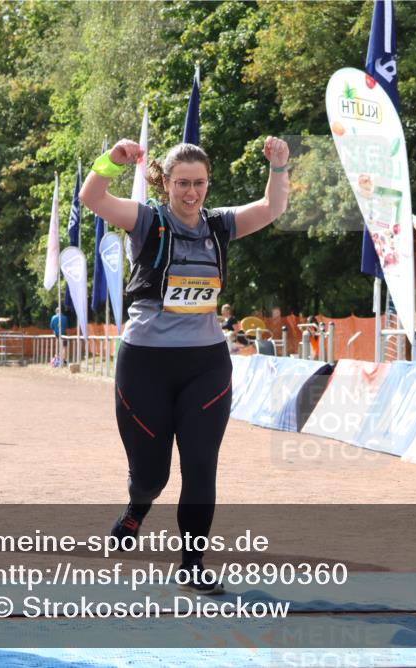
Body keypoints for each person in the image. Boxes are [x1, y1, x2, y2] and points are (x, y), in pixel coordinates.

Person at [80, 135, 289, 593]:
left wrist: (278, 167)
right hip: (145, 366)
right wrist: (110, 162)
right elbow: (91, 197)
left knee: (200, 465)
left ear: (208, 185)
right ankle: (137, 507)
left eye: (199, 184)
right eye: (182, 184)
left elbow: (271, 209)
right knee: (152, 475)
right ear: (167, 185)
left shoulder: (219, 226)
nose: (191, 193)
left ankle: (192, 564)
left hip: (206, 366)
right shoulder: (146, 221)